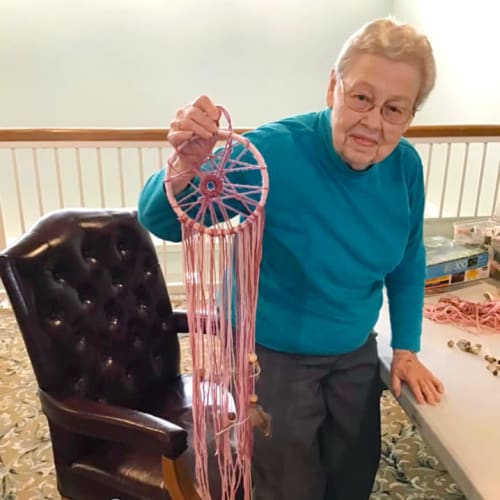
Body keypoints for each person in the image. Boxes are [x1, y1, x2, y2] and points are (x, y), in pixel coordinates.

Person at [138, 17, 445, 500]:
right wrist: (185, 166)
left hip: (353, 351)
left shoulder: (405, 166)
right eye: (361, 97)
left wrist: (406, 348)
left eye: (394, 109)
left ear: (409, 118)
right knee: (287, 484)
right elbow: (162, 218)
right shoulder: (274, 152)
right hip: (271, 356)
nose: (373, 122)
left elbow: (408, 258)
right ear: (333, 88)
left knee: (352, 474)